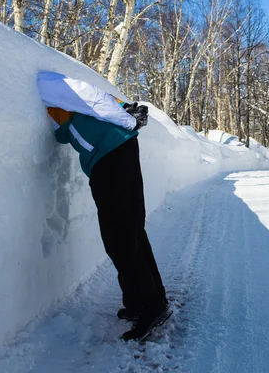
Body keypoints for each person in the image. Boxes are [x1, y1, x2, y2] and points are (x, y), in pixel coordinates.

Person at [37, 71, 170, 342]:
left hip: (110, 156)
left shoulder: (45, 81)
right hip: (115, 152)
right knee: (131, 231)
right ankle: (142, 302)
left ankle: (152, 306)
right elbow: (68, 127)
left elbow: (91, 95)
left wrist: (126, 117)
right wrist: (124, 113)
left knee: (119, 238)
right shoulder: (55, 96)